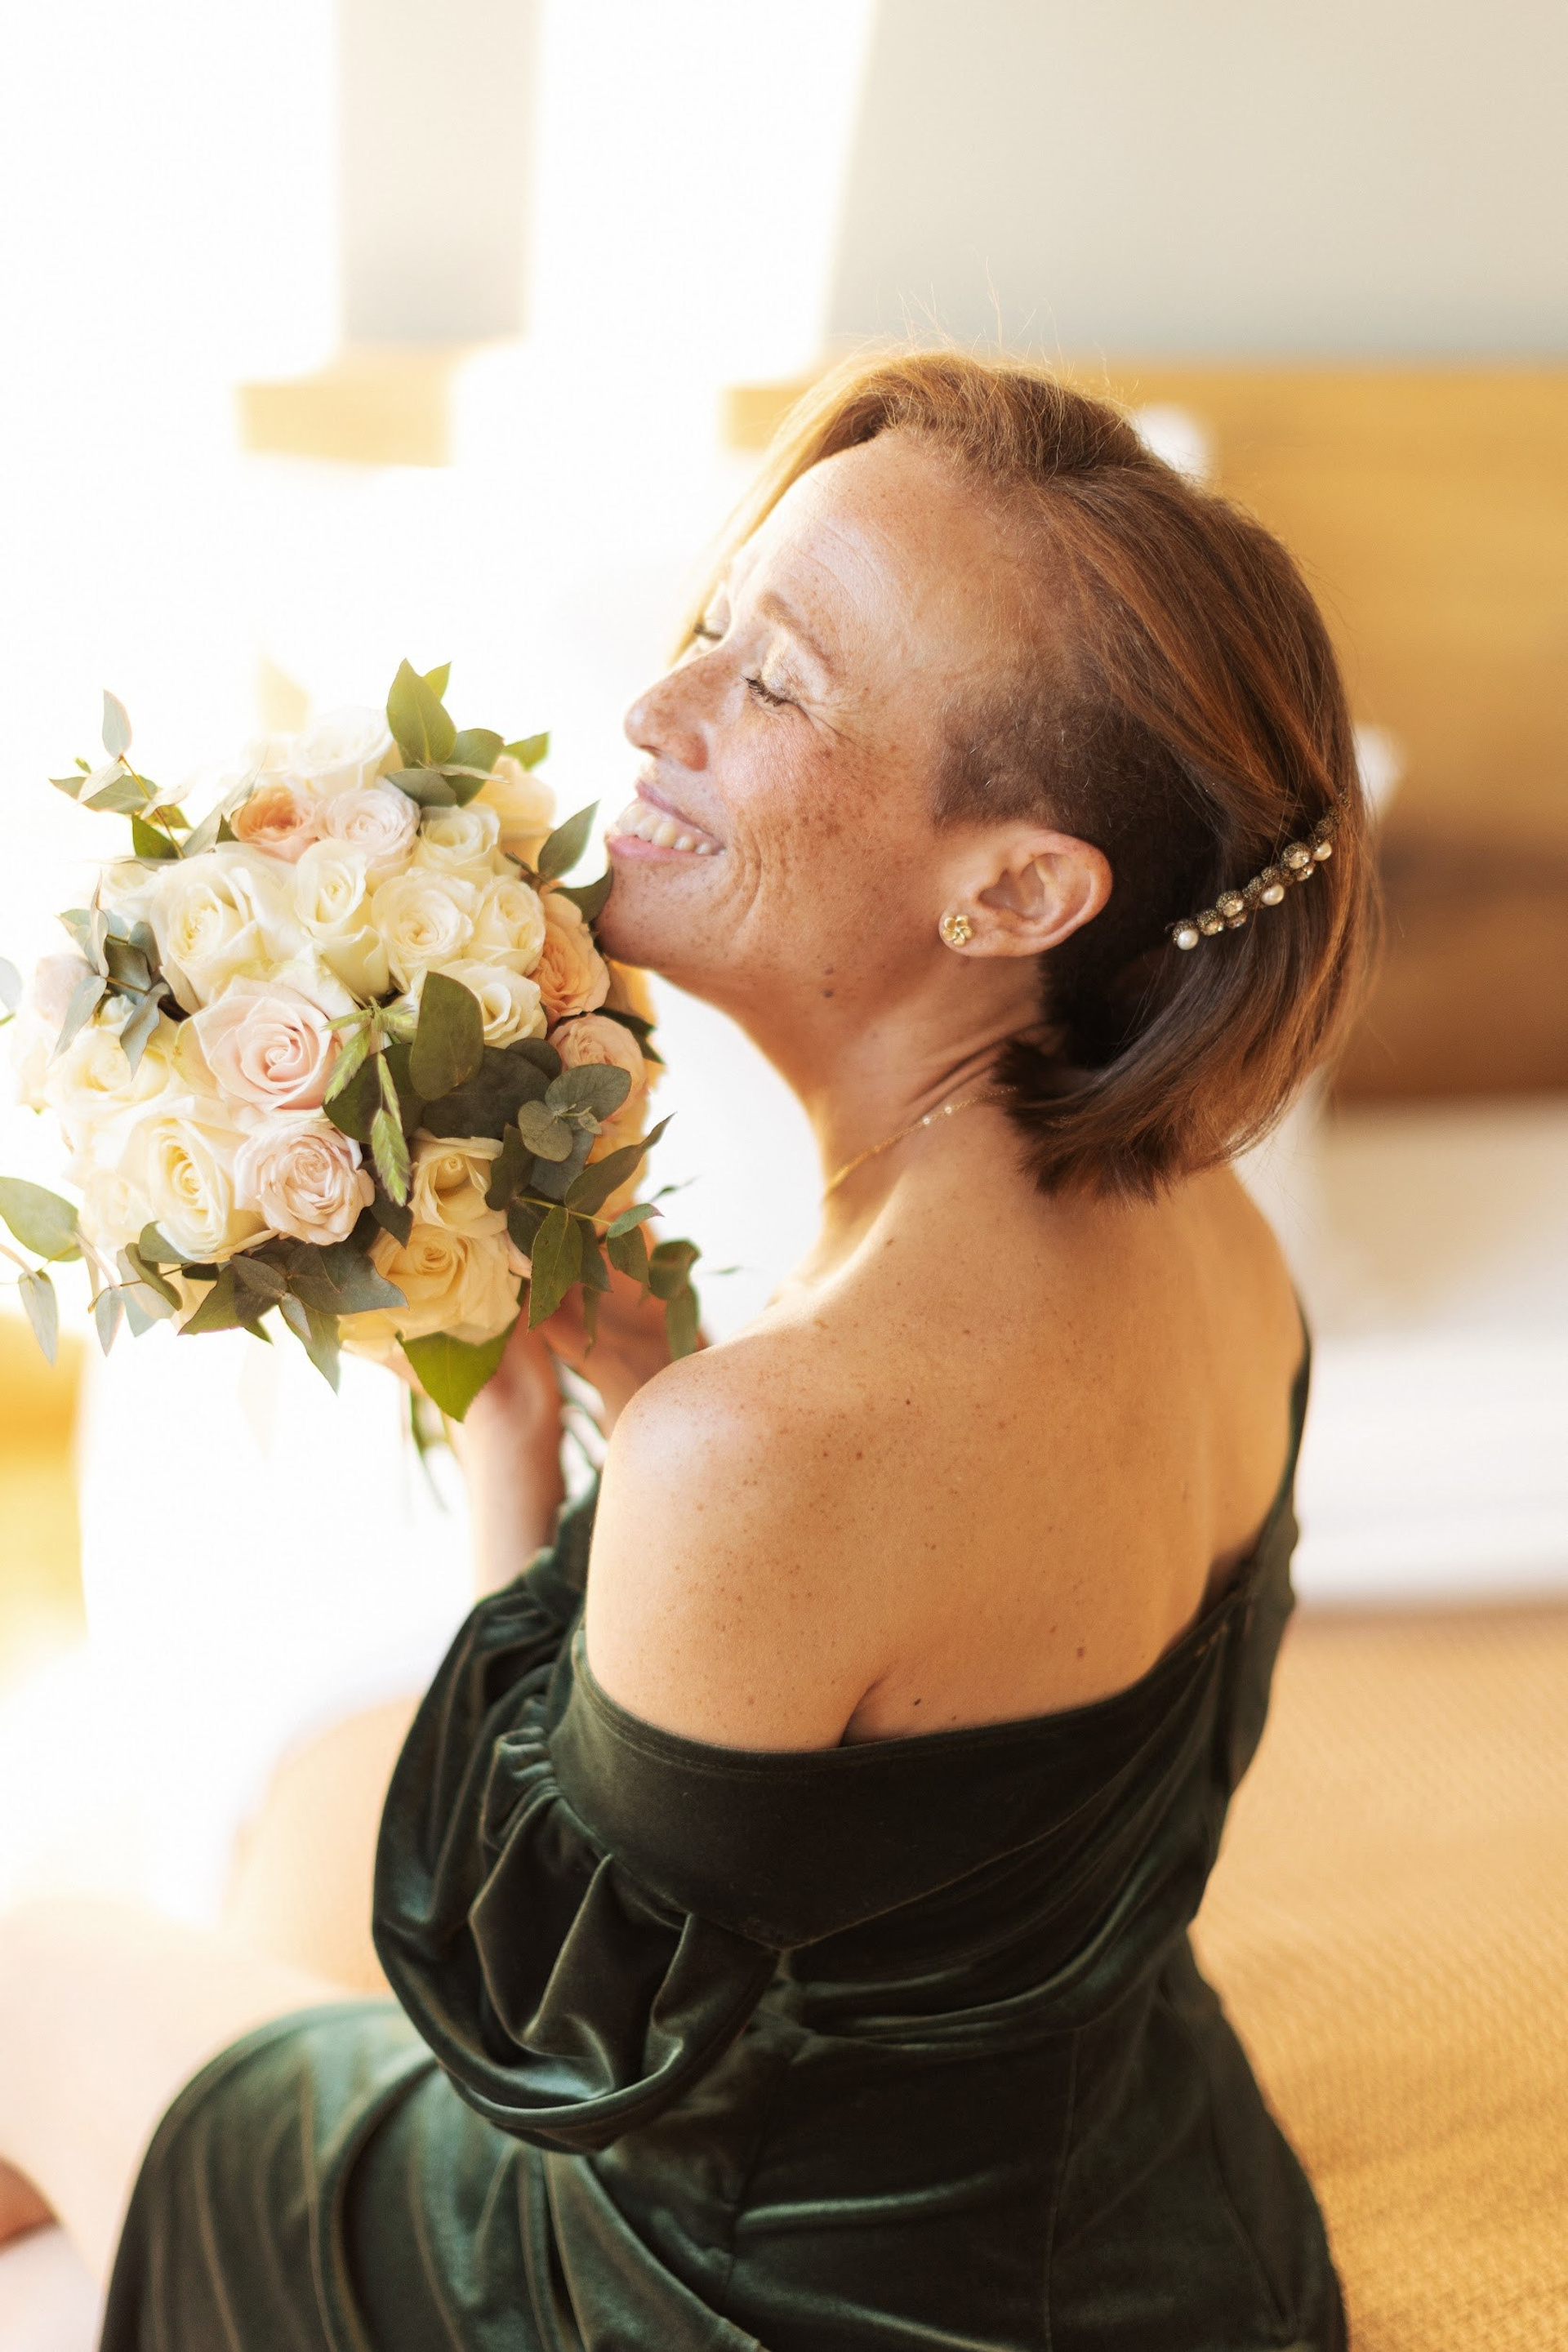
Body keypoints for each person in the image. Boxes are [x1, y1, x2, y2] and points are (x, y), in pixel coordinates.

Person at [0, 350, 1370, 2350]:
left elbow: (531, 2026)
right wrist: (650, 1398)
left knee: (33, 1974)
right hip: (1183, 2259)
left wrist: (507, 1441)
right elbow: (933, 1783)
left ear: (1015, 887)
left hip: (727, 2298)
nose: (656, 711)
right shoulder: (1222, 1240)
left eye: (776, 685)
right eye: (715, 627)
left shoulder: (771, 1442)